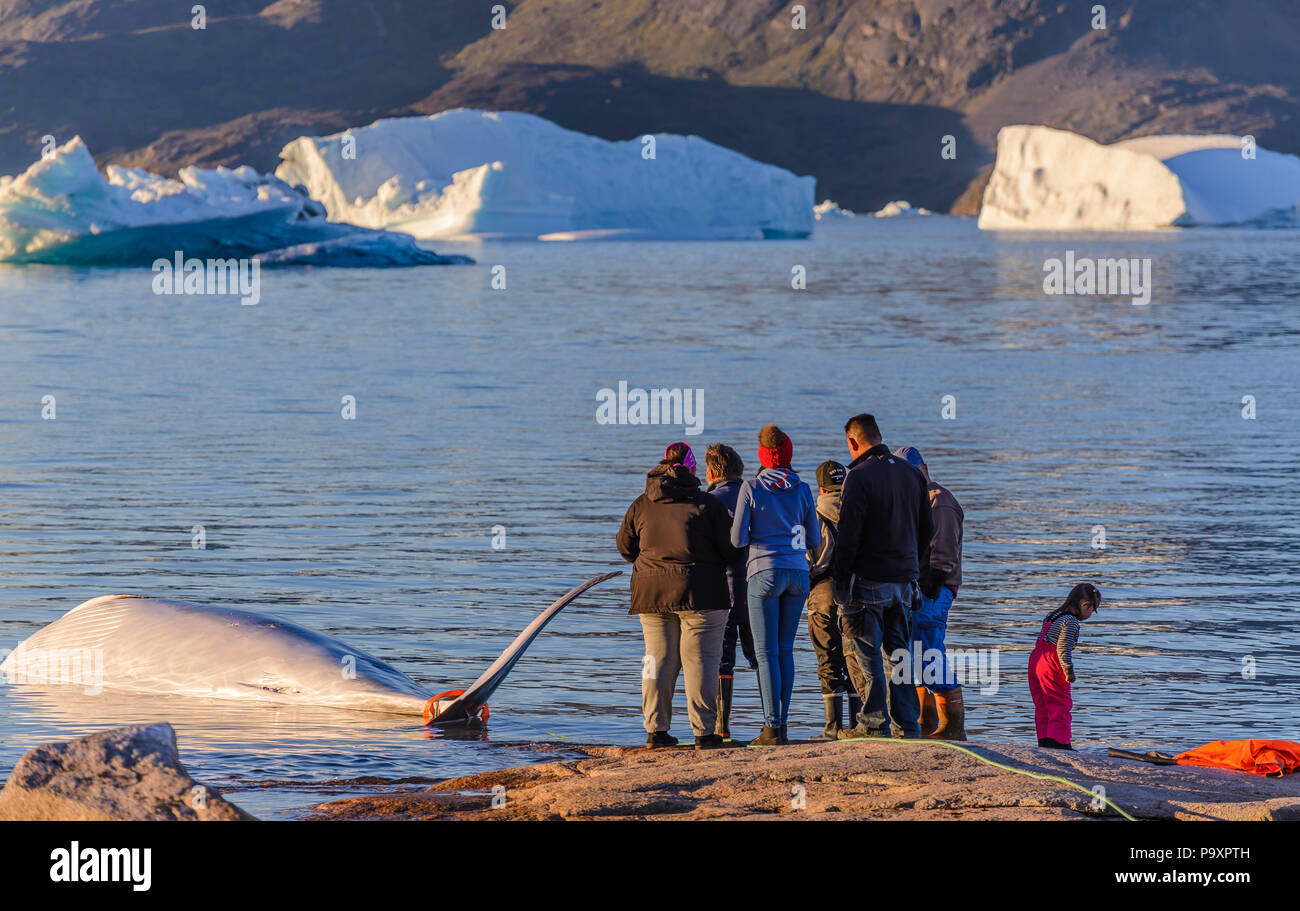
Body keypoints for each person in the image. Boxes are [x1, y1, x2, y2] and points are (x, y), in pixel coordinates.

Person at [616, 442, 741, 750]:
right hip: (702, 594)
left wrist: (652, 565)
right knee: (701, 660)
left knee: (655, 660)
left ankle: (655, 732)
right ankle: (704, 734)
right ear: (694, 469)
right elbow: (730, 550)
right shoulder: (707, 504)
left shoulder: (640, 505)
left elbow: (625, 548)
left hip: (650, 592)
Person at [831, 414, 933, 739]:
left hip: (867, 581)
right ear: (879, 435)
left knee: (867, 653)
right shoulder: (911, 475)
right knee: (900, 653)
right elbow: (927, 531)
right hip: (904, 581)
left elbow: (848, 536)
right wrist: (915, 571)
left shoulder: (857, 477)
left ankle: (875, 724)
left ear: (852, 442)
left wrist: (840, 583)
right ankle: (908, 724)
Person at [730, 425, 819, 746]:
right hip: (798, 575)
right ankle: (783, 725)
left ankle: (772, 728)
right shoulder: (804, 489)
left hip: (764, 574)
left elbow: (737, 539)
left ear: (762, 457)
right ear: (789, 455)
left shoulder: (751, 488)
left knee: (765, 653)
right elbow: (815, 539)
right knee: (785, 651)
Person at [893, 446, 966, 740]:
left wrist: (928, 587)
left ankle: (953, 727)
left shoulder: (940, 501)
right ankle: (926, 722)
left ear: (922, 469)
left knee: (929, 654)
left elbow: (944, 555)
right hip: (919, 588)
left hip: (934, 589)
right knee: (917, 653)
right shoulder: (918, 500)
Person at [703, 443, 758, 743]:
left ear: (711, 472)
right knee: (761, 655)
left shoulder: (707, 501)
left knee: (722, 658)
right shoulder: (756, 495)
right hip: (755, 589)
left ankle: (721, 730)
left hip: (721, 590)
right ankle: (773, 726)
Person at [805, 459, 855, 740]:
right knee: (855, 658)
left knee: (827, 658)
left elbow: (809, 561)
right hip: (855, 593)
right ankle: (859, 724)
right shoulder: (858, 511)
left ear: (821, 488)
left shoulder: (813, 517)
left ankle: (832, 728)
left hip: (823, 593)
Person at [1029, 583, 1100, 750]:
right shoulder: (1071, 621)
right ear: (1084, 604)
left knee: (1043, 705)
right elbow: (1063, 646)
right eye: (1091, 610)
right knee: (1060, 705)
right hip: (1051, 663)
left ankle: (1045, 743)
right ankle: (1060, 745)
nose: (1090, 614)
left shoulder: (1053, 615)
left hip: (1035, 661)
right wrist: (1068, 670)